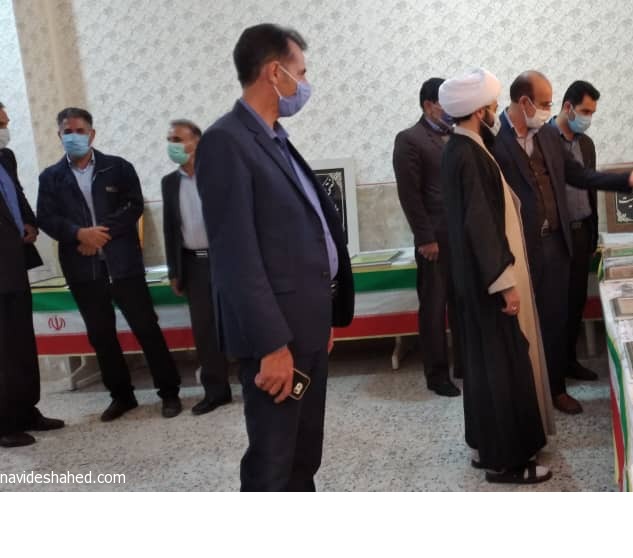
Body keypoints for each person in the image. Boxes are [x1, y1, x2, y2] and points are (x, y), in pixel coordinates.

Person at [195, 23, 355, 491]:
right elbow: (236, 257)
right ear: (274, 72)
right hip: (277, 340)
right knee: (274, 460)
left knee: (303, 453)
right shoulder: (226, 141)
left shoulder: (274, 138)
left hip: (306, 327)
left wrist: (321, 317)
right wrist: (271, 346)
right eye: (300, 73)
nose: (304, 84)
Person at [492, 71, 633, 414]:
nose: (548, 109)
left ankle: (556, 388)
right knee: (522, 325)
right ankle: (526, 393)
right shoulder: (493, 140)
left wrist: (625, 180)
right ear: (524, 102)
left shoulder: (546, 136)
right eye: (544, 103)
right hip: (518, 249)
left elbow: (579, 175)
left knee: (556, 320)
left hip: (556, 243)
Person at [439, 68, 553, 484]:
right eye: (490, 106)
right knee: (504, 369)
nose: (494, 112)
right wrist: (504, 283)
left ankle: (486, 447)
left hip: (474, 284)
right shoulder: (468, 153)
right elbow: (481, 224)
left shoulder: (462, 148)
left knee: (484, 370)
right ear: (478, 111)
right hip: (489, 285)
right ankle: (508, 462)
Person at [36, 107, 182, 422]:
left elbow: (133, 206)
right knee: (101, 334)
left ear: (92, 134)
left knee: (146, 327)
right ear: (59, 135)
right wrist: (79, 234)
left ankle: (169, 392)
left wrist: (99, 235)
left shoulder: (118, 167)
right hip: (82, 269)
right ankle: (122, 396)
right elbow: (46, 218)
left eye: (79, 131)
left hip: (123, 264)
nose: (73, 136)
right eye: (67, 132)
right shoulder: (50, 177)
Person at [393, 77, 463, 397]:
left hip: (461, 238)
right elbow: (410, 195)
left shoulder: (457, 135)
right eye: (445, 103)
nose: (450, 110)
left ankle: (464, 365)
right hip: (434, 239)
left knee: (462, 304)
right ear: (428, 105)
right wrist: (425, 238)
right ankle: (436, 375)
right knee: (434, 308)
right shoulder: (409, 140)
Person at [1, 101, 64, 448]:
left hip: (15, 264)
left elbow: (17, 194)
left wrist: (28, 221)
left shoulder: (5, 157)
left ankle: (26, 410)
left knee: (22, 342)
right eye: (1, 124)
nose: (6, 129)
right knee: (3, 350)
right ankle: (4, 423)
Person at [161, 119, 232, 415]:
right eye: (170, 140)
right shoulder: (169, 183)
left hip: (227, 260)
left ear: (197, 142)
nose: (172, 146)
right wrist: (174, 271)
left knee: (242, 321)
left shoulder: (220, 174)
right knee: (205, 331)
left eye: (178, 139)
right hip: (193, 265)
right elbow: (170, 229)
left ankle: (257, 384)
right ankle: (216, 392)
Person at [549, 80, 601, 382]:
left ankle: (570, 361)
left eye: (592, 113)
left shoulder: (586, 144)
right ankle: (553, 373)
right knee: (555, 306)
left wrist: (593, 234)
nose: (588, 118)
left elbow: (591, 188)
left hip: (582, 232)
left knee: (576, 301)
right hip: (556, 237)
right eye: (585, 111)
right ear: (568, 107)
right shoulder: (542, 141)